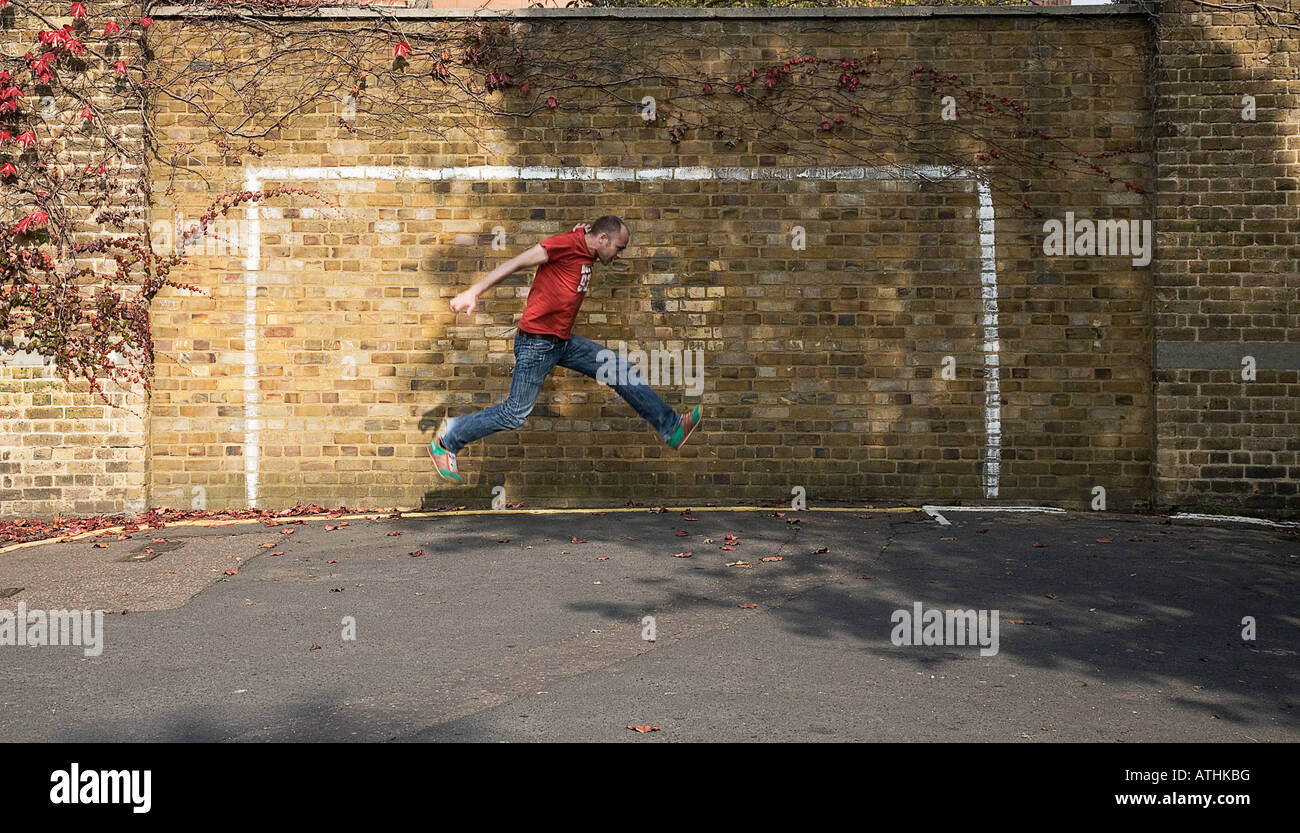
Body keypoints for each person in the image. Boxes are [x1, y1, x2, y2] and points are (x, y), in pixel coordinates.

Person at [428, 215, 702, 483]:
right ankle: (446, 443)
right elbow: (517, 262)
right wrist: (474, 291)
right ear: (603, 238)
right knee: (514, 413)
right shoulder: (564, 244)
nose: (620, 255)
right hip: (537, 343)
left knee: (619, 369)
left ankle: (671, 427)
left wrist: (582, 234)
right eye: (619, 248)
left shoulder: (585, 245)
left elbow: (584, 239)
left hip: (561, 342)